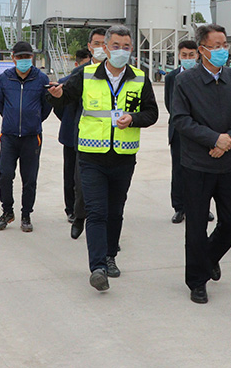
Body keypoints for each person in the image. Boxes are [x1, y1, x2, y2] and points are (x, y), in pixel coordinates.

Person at [47, 25, 159, 292]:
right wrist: (57, 96)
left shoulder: (140, 78)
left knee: (115, 211)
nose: (121, 51)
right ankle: (97, 267)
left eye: (126, 47)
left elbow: (152, 113)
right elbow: (65, 99)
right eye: (116, 46)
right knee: (96, 211)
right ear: (105, 48)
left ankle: (110, 257)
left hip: (123, 157)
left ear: (132, 50)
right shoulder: (85, 75)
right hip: (91, 157)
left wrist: (133, 118)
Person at [170, 23, 231, 304]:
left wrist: (228, 138)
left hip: (229, 163)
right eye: (215, 46)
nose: (221, 51)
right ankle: (197, 281)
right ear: (202, 50)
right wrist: (213, 139)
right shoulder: (185, 82)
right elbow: (181, 120)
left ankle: (209, 257)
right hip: (197, 166)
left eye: (224, 45)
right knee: (196, 226)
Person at [0, 41, 52, 232]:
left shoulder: (41, 79)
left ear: (32, 57)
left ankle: (26, 215)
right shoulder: (5, 78)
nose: (23, 60)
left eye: (27, 57)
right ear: (13, 58)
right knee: (5, 174)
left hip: (31, 136)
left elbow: (46, 107)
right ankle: (7, 211)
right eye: (20, 57)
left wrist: (32, 120)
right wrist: (12, 120)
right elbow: (1, 104)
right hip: (9, 136)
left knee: (29, 178)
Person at [68, 27, 109, 240]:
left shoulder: (119, 74)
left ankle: (109, 233)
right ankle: (79, 217)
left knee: (110, 192)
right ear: (89, 46)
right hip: (86, 140)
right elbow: (63, 103)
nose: (101, 48)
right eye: (96, 43)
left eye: (105, 43)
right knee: (83, 186)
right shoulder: (80, 73)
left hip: (113, 141)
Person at [54, 48, 91, 226]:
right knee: (70, 175)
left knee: (85, 176)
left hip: (90, 137)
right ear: (76, 65)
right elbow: (58, 107)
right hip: (70, 135)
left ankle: (85, 208)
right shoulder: (65, 83)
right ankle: (71, 209)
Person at [164, 39, 199, 224]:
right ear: (179, 56)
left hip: (201, 131)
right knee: (178, 171)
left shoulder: (203, 75)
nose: (187, 58)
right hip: (178, 131)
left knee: (200, 172)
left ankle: (201, 207)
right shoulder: (171, 77)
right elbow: (170, 104)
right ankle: (179, 207)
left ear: (197, 55)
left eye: (191, 55)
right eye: (184, 55)